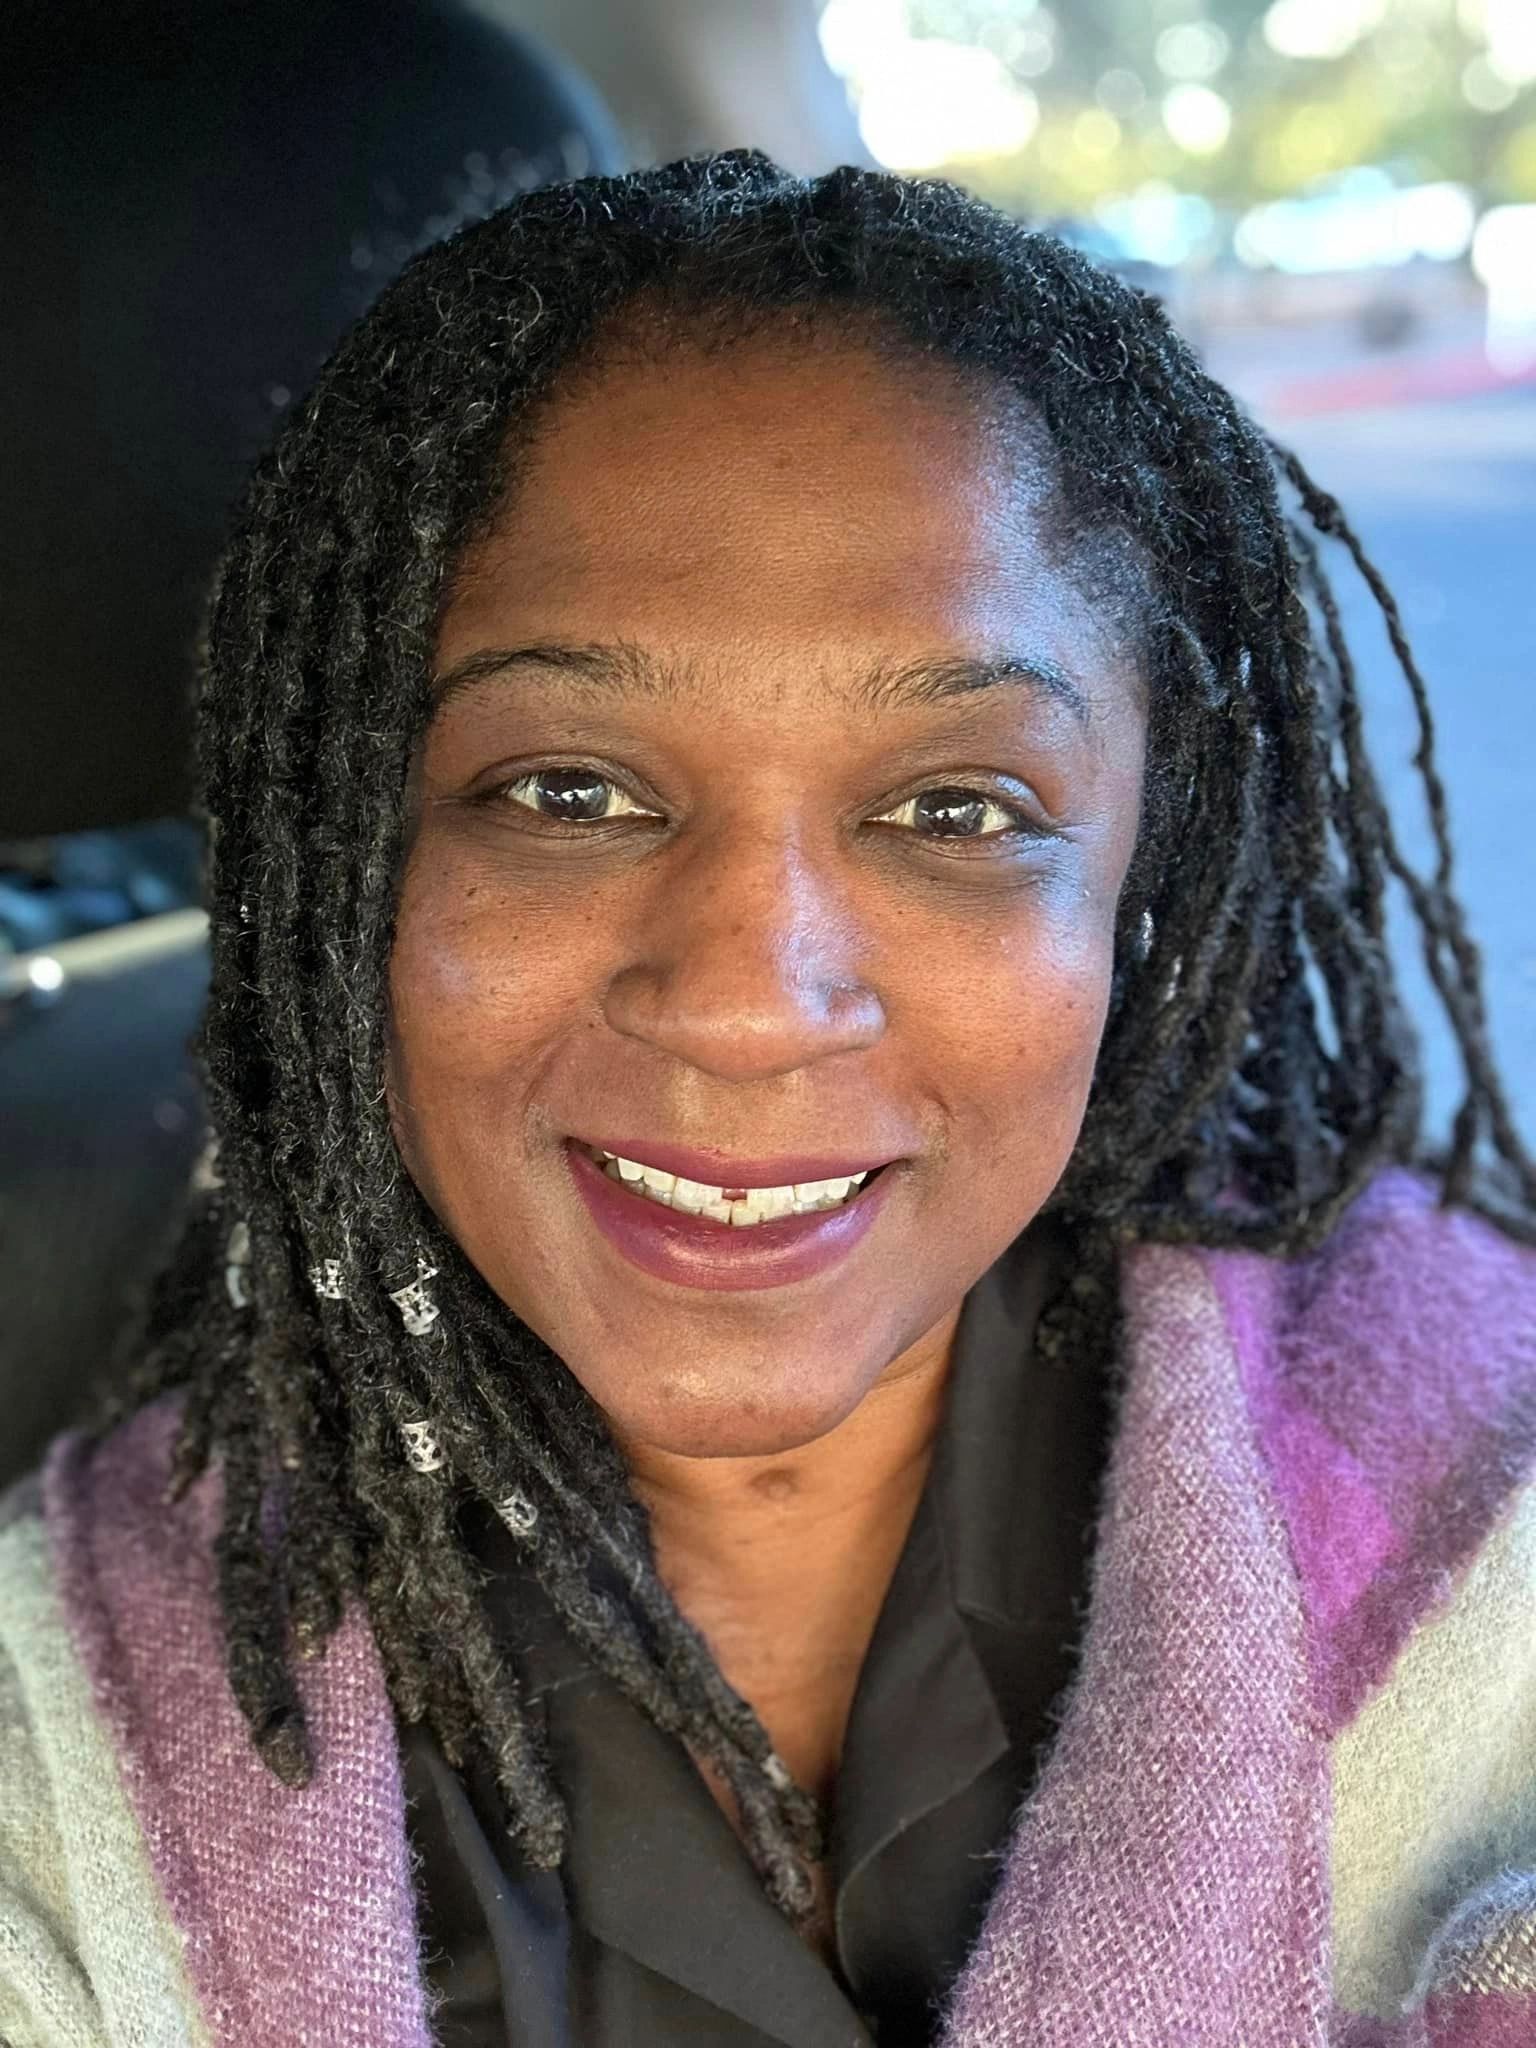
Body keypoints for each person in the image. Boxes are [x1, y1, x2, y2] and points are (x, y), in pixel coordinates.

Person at [2, 151, 1534, 2048]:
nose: (745, 1006)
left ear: (1147, 891)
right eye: (569, 793)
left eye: (957, 810)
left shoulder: (1491, 1533)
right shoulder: (58, 1751)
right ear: (347, 868)